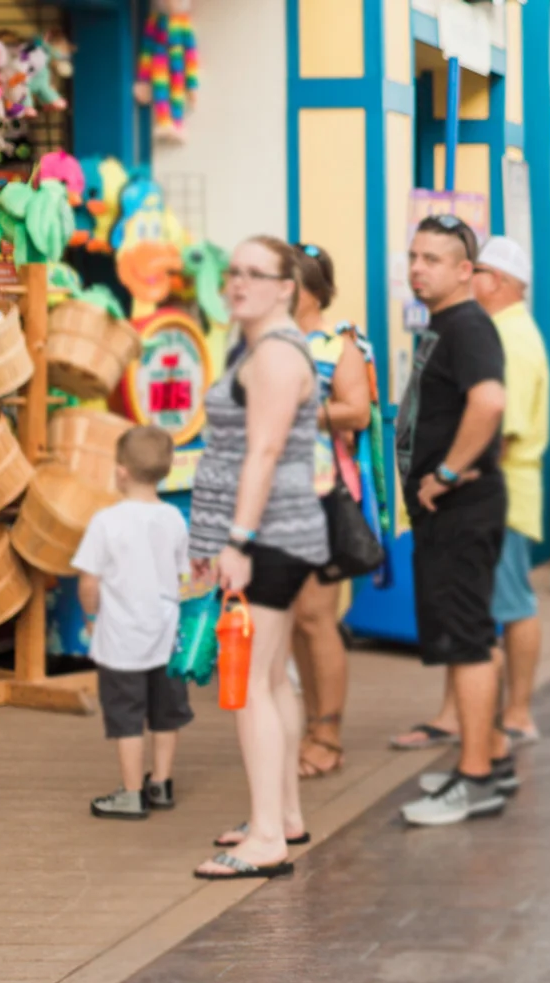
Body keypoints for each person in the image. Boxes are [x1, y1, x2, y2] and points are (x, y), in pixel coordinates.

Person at [188, 236, 328, 879]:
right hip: (274, 535)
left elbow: (264, 453)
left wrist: (237, 542)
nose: (238, 282)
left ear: (286, 288)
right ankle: (283, 815)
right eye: (233, 271)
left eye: (256, 273)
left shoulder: (273, 355)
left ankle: (267, 837)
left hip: (268, 539)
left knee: (248, 685)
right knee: (270, 679)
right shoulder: (258, 347)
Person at [401, 236, 550, 756]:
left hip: (497, 493)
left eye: (478, 270)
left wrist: (448, 473)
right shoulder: (490, 329)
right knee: (473, 614)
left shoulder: (506, 336)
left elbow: (497, 423)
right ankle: (458, 719)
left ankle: (512, 720)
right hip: (485, 493)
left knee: (507, 605)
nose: (469, 279)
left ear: (498, 281)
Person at [394, 214, 517, 826]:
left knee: (468, 643)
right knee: (471, 637)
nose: (418, 269)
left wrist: (445, 472)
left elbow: (489, 401)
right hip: (451, 512)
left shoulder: (467, 325)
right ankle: (490, 756)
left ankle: (475, 780)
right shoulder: (445, 324)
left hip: (461, 509)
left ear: (466, 270)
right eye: (414, 257)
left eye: (433, 259)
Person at [286, 243, 375, 779]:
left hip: (320, 496)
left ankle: (328, 734)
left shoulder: (337, 345)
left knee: (317, 617)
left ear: (313, 292)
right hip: (277, 501)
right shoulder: (267, 342)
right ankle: (310, 725)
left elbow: (357, 411)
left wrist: (300, 411)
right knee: (297, 619)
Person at [79, 425, 191, 821]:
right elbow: (182, 574)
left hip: (121, 639)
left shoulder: (105, 521)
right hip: (166, 634)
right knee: (166, 712)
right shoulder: (174, 518)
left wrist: (91, 617)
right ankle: (160, 782)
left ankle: (131, 794)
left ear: (121, 471)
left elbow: (89, 582)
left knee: (126, 716)